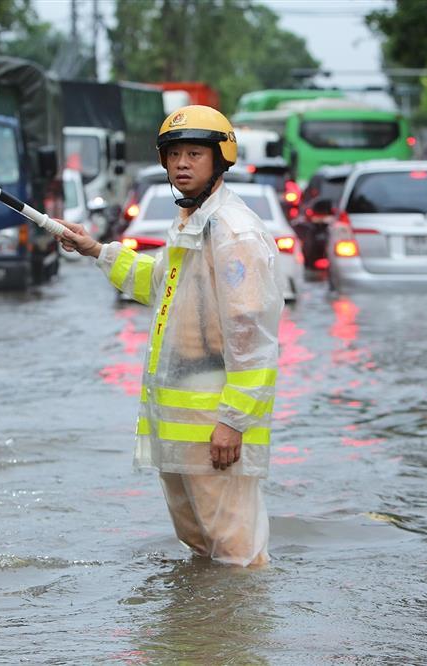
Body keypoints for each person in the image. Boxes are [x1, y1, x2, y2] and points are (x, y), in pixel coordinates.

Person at [58, 105, 283, 567]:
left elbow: (251, 334)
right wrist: (96, 250)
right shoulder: (191, 223)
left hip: (217, 427)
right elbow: (160, 285)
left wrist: (234, 421)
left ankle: (242, 617)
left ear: (220, 158)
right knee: (201, 548)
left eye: (194, 154)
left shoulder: (232, 231)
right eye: (174, 154)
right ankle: (203, 618)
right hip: (181, 426)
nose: (181, 164)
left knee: (236, 552)